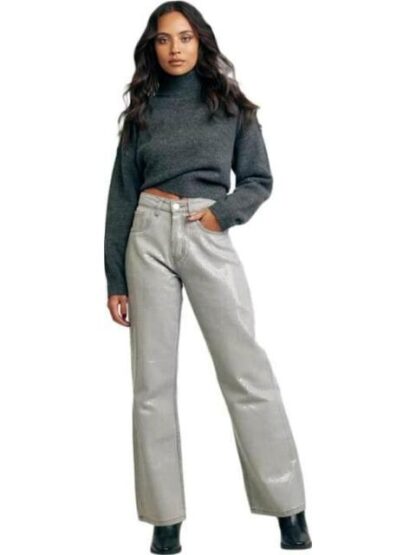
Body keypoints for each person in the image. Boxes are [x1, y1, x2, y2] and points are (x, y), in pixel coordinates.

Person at [104, 2, 312, 552]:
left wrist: (222, 214)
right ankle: (165, 521)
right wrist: (114, 280)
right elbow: (120, 196)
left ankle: (289, 509)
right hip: (147, 234)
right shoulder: (141, 112)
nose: (175, 48)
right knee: (152, 385)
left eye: (185, 37)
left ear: (201, 41)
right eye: (164, 39)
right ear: (152, 47)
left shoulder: (232, 107)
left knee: (246, 371)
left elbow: (259, 178)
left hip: (205, 228)